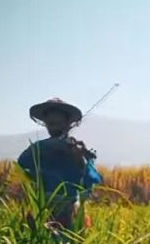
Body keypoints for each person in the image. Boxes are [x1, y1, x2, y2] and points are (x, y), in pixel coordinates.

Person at [17, 97, 102, 230]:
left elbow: (89, 180)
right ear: (46, 124)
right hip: (43, 206)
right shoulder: (39, 147)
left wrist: (79, 158)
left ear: (68, 124)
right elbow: (22, 163)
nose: (55, 127)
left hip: (69, 207)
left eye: (59, 123)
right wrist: (48, 148)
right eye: (51, 123)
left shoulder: (76, 148)